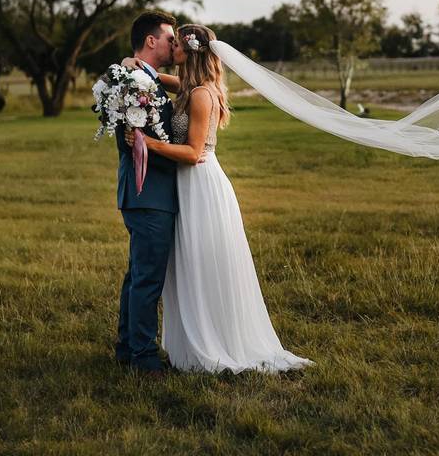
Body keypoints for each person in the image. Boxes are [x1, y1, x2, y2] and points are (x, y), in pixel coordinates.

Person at [122, 23, 314, 374]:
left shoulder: (199, 95)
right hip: (190, 185)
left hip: (200, 182)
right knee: (194, 264)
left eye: (176, 44)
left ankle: (213, 342)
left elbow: (195, 152)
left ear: (189, 51)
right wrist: (134, 65)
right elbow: (166, 81)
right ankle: (196, 337)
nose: (172, 48)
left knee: (205, 263)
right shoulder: (192, 88)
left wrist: (148, 144)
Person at [114, 11, 208, 378]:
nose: (176, 44)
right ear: (151, 41)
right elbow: (133, 142)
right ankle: (144, 359)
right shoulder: (135, 83)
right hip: (147, 193)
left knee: (137, 274)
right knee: (147, 279)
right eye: (171, 38)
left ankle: (127, 348)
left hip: (154, 194)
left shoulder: (146, 79)